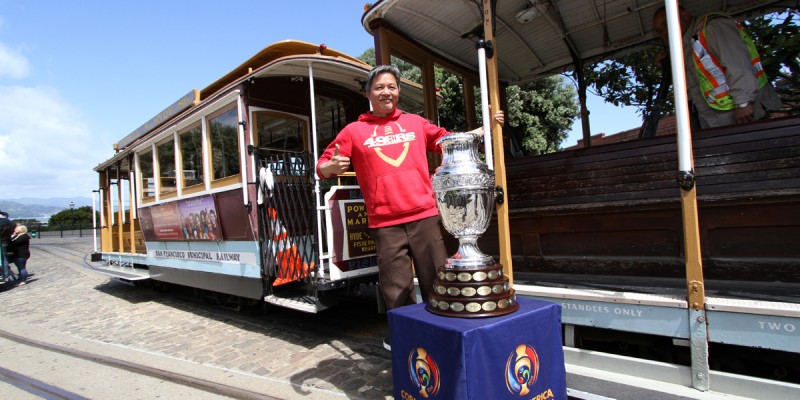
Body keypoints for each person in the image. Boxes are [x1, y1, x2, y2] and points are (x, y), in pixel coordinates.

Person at [316, 64, 503, 351]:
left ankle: (443, 339)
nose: (386, 92)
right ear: (368, 93)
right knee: (396, 290)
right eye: (379, 87)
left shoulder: (416, 123)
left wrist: (484, 128)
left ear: (398, 91)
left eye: (391, 86)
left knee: (437, 282)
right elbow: (323, 166)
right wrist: (330, 166)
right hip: (384, 223)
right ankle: (408, 345)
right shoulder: (354, 131)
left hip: (424, 216)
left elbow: (449, 142)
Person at [652, 6, 782, 129]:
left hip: (741, 115)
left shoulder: (712, 27)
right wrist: (667, 66)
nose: (664, 31)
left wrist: (743, 103)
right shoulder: (683, 49)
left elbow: (737, 64)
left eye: (666, 24)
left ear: (684, 15)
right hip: (712, 121)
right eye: (659, 30)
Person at [0, 210, 16, 282]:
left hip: (1, 242)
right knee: (4, 258)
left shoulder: (2, 221)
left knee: (2, 258)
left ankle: (4, 274)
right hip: (5, 241)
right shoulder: (8, 221)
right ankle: (5, 274)